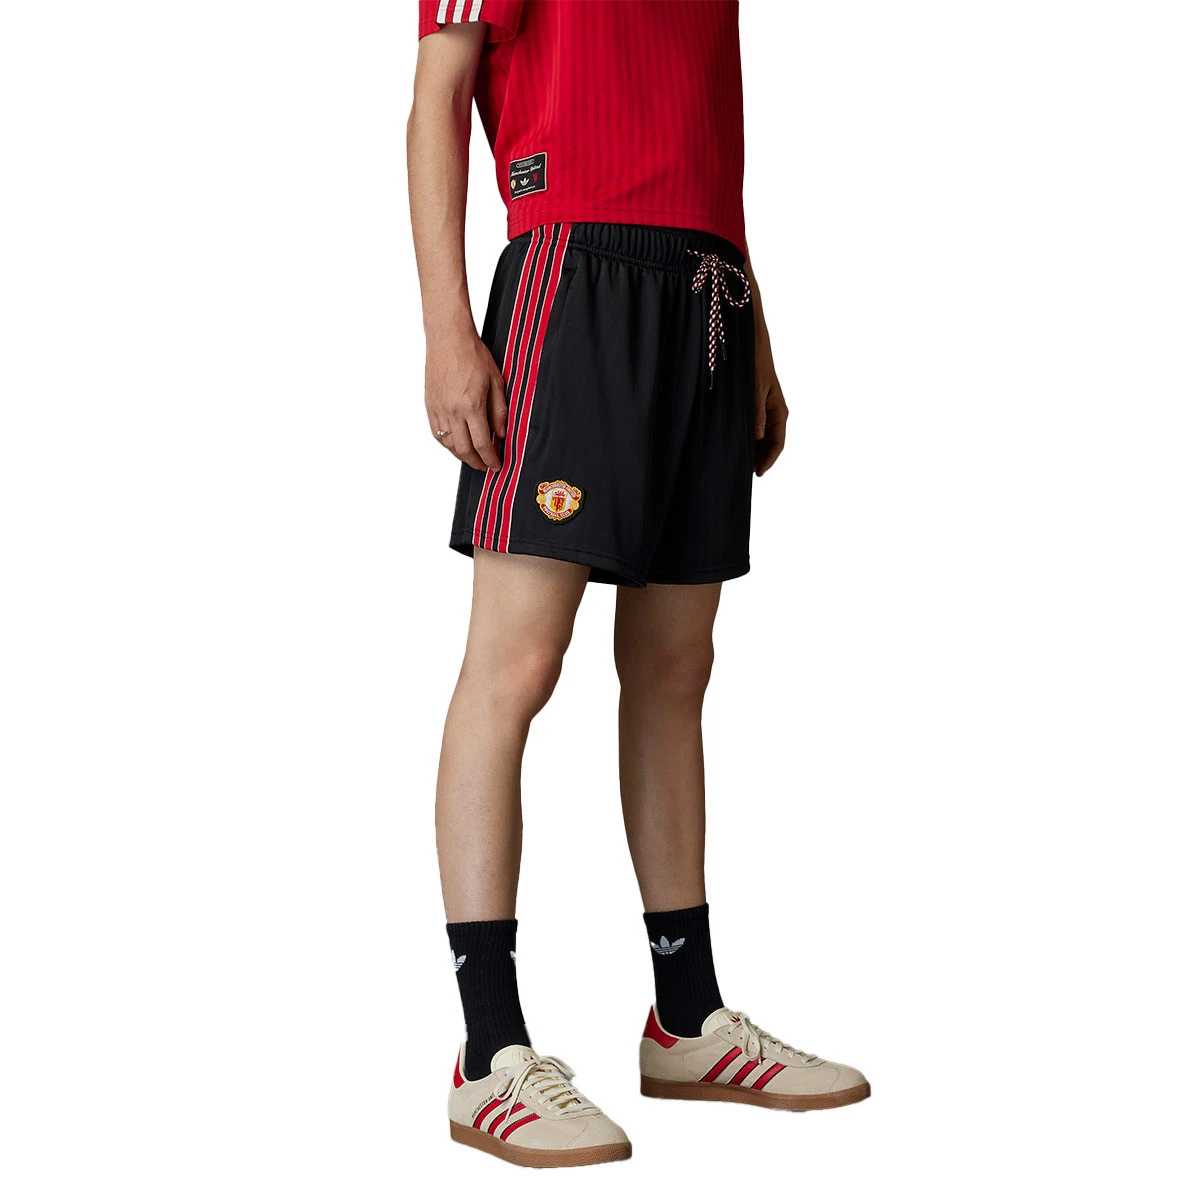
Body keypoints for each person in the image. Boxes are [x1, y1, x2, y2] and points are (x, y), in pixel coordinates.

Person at [409, 0, 869, 1168]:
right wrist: (449, 330)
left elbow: (703, 128)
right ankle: (489, 1053)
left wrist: (754, 322)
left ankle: (687, 1020)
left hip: (705, 292)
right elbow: (437, 96)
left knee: (675, 668)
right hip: (572, 273)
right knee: (517, 662)